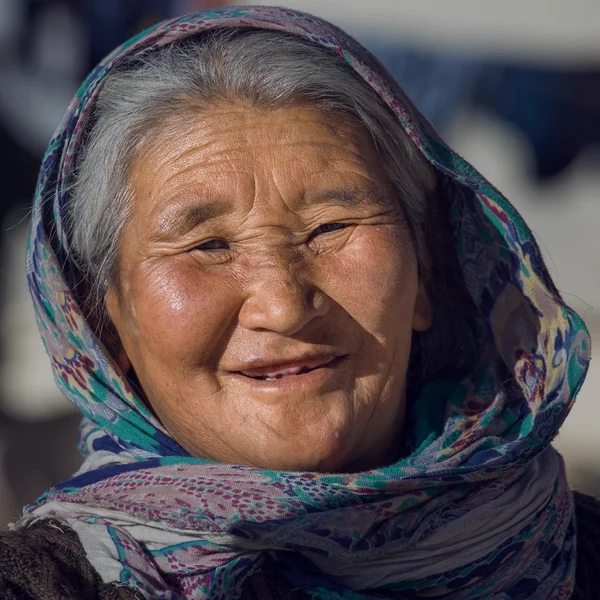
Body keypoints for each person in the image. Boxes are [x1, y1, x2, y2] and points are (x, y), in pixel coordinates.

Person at [1, 6, 597, 599]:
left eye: (331, 227)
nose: (284, 307)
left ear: (428, 275)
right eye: (208, 245)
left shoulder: (577, 556)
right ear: (106, 326)